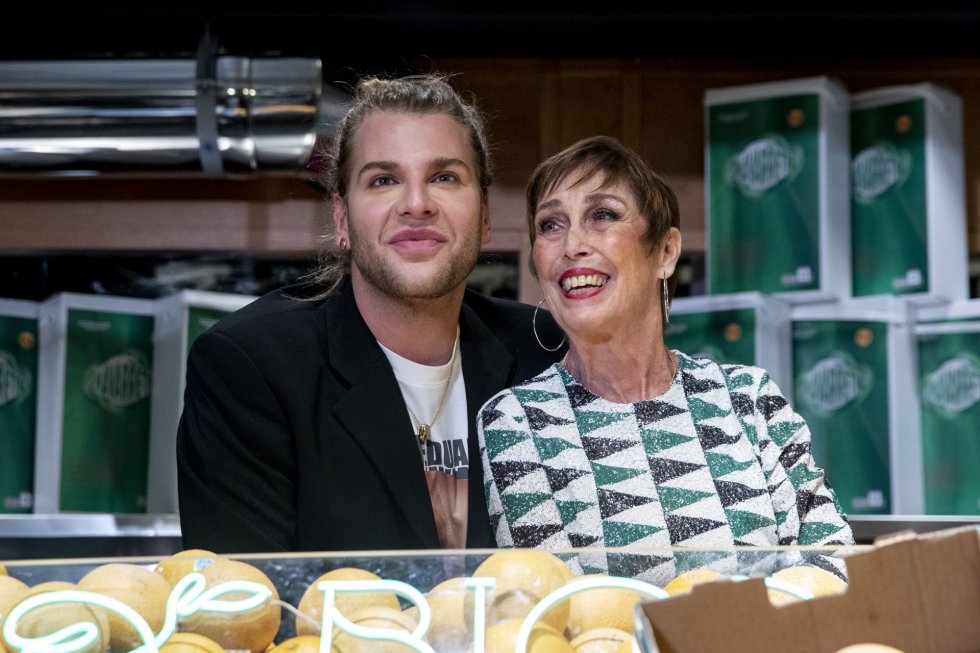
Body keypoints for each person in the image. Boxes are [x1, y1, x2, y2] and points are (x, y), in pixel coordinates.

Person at [176, 73, 565, 554]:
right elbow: (243, 606)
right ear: (342, 220)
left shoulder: (546, 352)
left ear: (485, 215)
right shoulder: (250, 365)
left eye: (444, 177)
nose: (417, 204)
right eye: (383, 180)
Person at [477, 135, 854, 583]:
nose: (572, 243)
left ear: (666, 252)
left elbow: (833, 569)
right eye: (551, 225)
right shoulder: (516, 420)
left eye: (603, 215)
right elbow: (565, 607)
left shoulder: (750, 400)